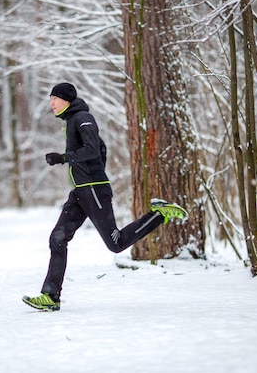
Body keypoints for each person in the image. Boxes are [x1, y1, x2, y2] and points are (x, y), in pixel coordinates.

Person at [22, 82, 188, 311]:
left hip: (93, 190)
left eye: (54, 98)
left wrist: (65, 159)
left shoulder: (82, 118)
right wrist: (89, 172)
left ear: (66, 99)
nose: (51, 103)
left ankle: (159, 214)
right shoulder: (72, 121)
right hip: (82, 190)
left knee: (116, 243)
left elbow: (92, 148)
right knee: (57, 238)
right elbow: (101, 149)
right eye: (50, 99)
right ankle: (50, 296)